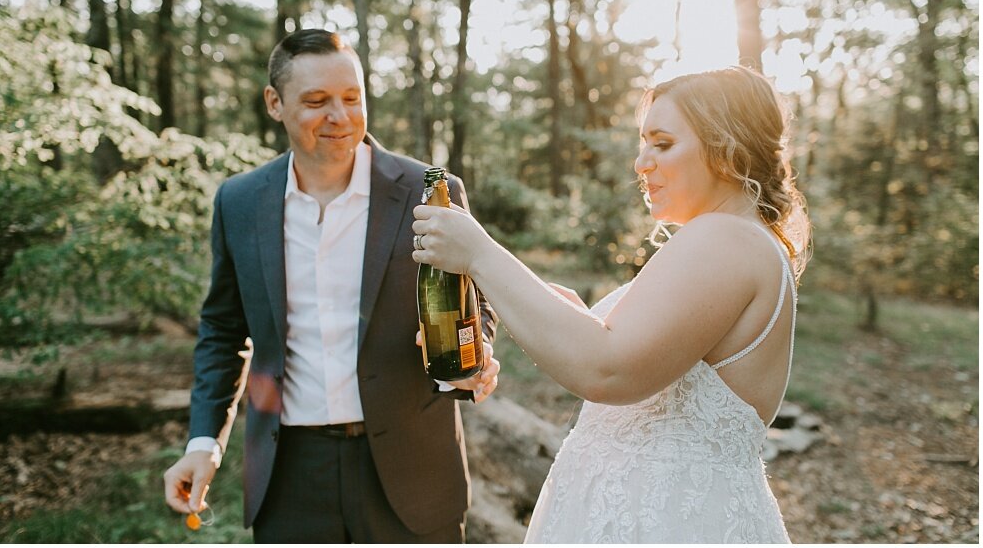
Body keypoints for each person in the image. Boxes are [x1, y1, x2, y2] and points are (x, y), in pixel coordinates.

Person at [412, 66, 810, 544]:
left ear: (727, 146)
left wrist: (479, 253)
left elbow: (607, 369)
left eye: (662, 144)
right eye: (643, 143)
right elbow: (611, 348)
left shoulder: (726, 238)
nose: (642, 163)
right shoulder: (733, 240)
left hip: (666, 524)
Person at [163, 28, 499, 544]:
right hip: (289, 473)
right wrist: (204, 440)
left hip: (412, 471)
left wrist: (472, 361)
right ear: (275, 103)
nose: (340, 117)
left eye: (351, 98)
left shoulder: (430, 190)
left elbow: (476, 301)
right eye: (317, 101)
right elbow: (222, 330)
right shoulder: (240, 201)